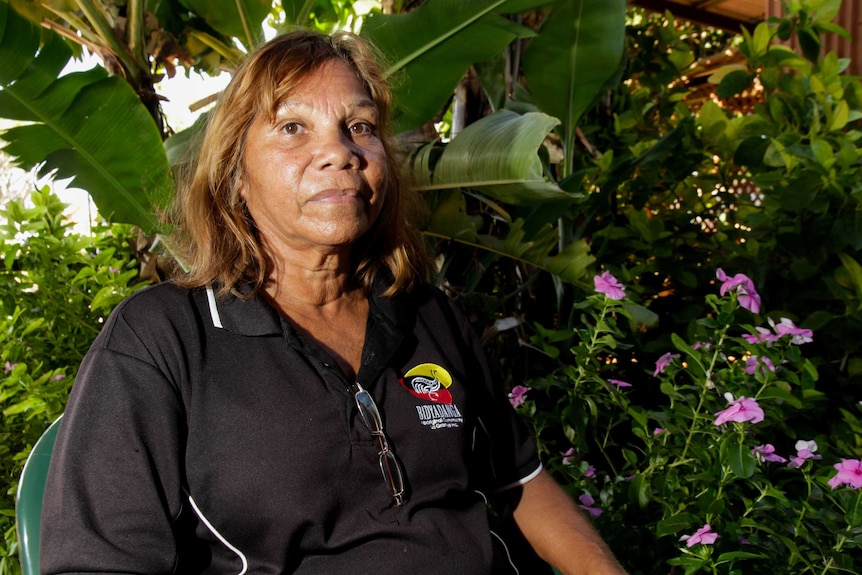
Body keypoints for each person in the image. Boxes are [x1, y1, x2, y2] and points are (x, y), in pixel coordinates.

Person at [40, 29, 627, 575]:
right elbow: (100, 561)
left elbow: (518, 479)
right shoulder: (164, 341)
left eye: (361, 126)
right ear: (235, 174)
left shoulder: (427, 314)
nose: (341, 152)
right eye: (292, 128)